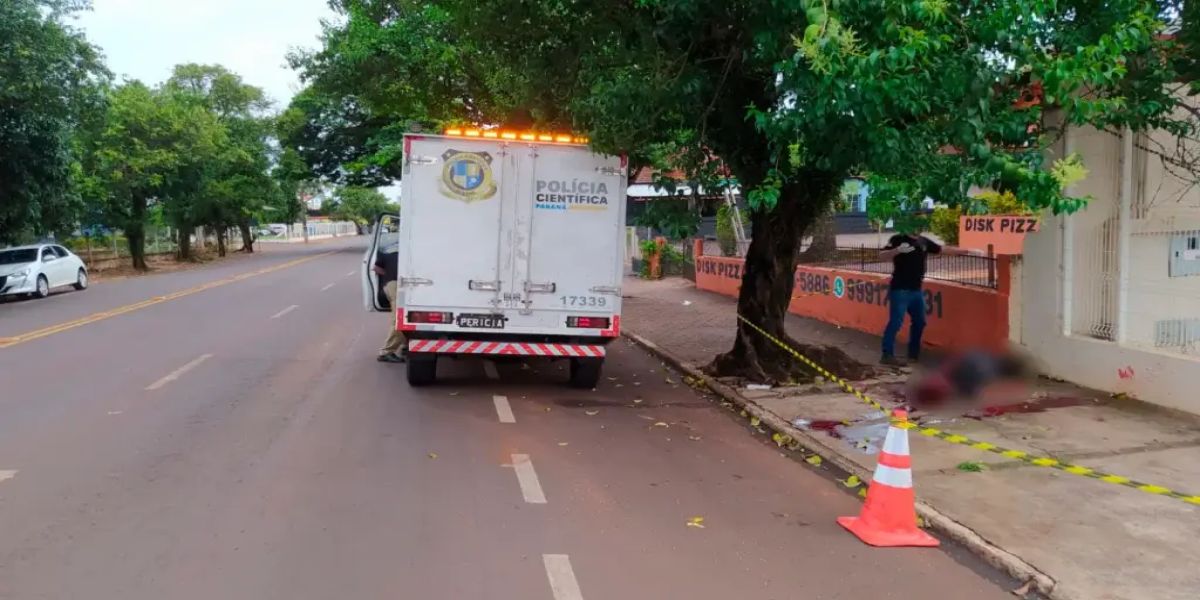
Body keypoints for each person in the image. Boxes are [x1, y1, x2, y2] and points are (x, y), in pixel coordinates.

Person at [877, 230, 975, 366]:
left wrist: (967, 251)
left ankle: (913, 354)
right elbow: (881, 256)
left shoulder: (923, 241)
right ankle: (887, 354)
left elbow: (942, 249)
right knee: (896, 322)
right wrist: (897, 250)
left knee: (920, 322)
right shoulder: (898, 239)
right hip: (900, 289)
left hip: (916, 290)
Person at [374, 247, 406, 363]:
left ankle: (405, 346)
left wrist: (387, 274)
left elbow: (376, 268)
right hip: (396, 284)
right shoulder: (408, 251)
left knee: (402, 318)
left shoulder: (387, 252)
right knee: (400, 320)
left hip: (389, 285)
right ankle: (386, 352)